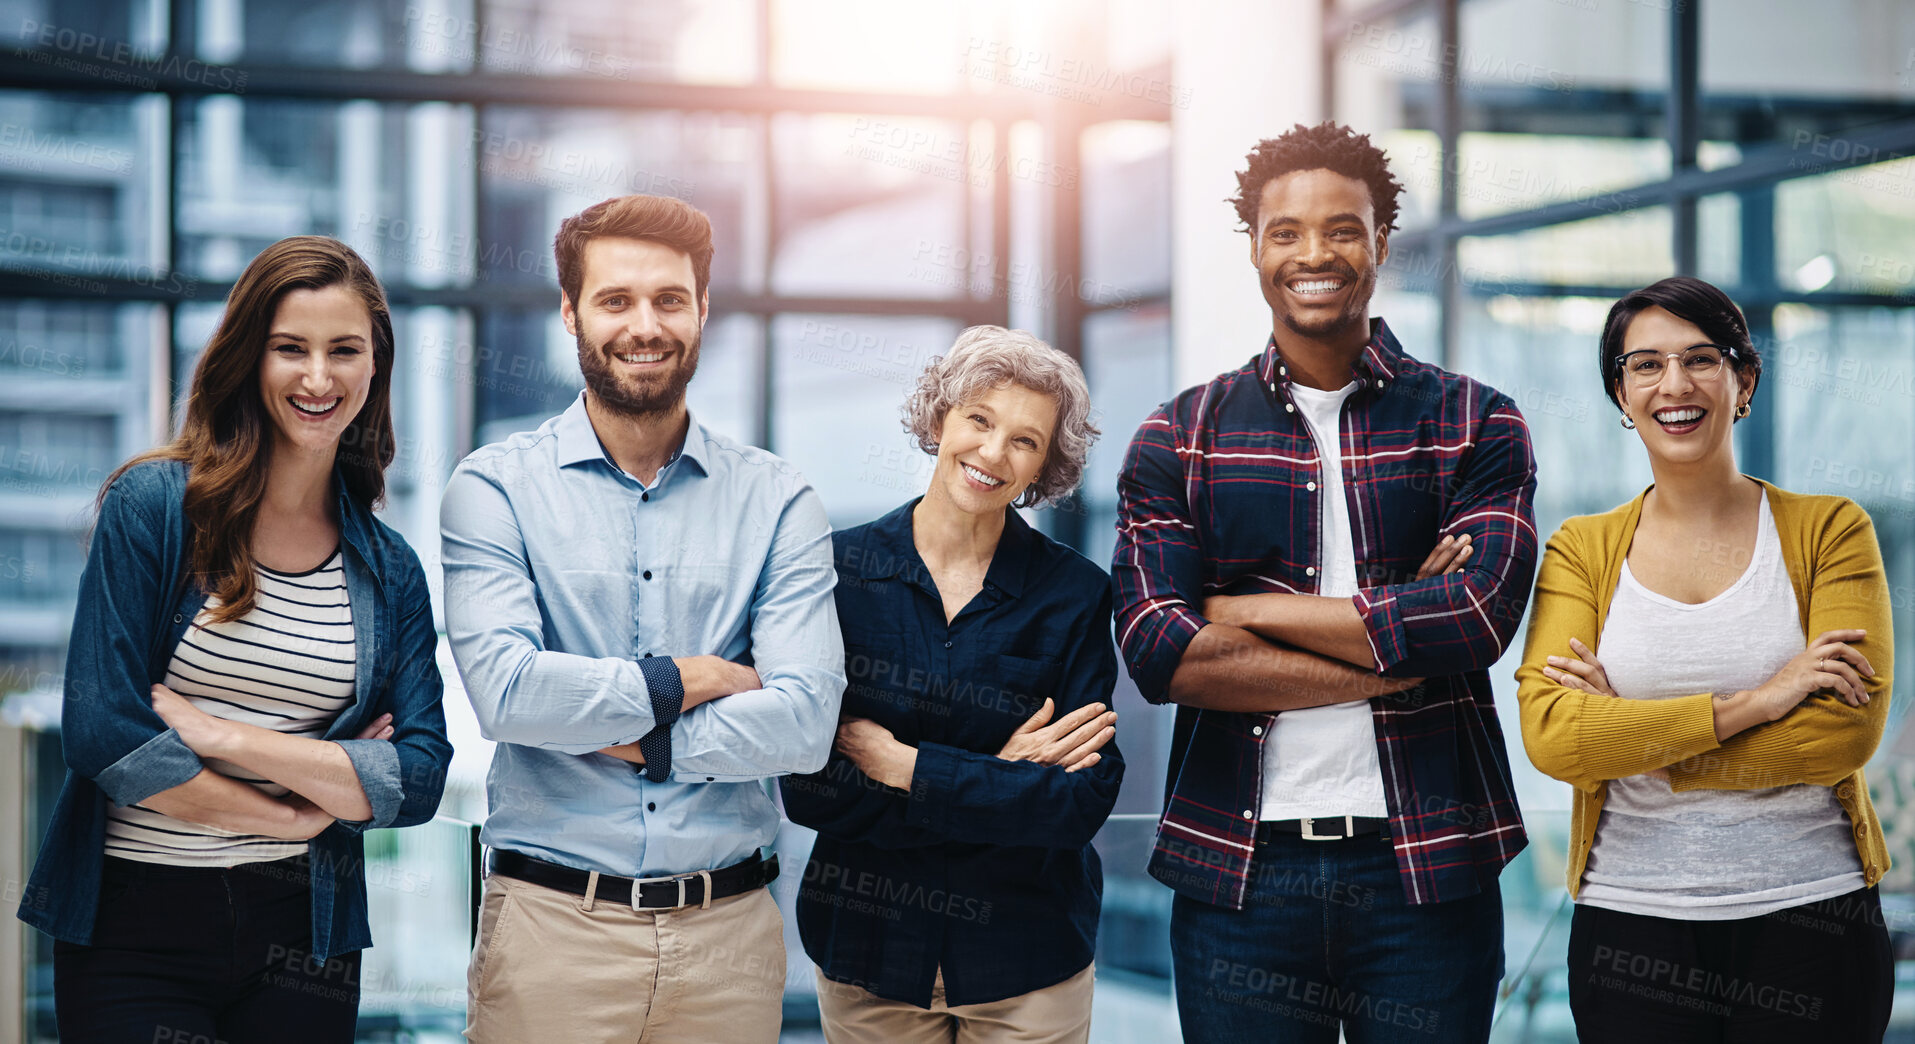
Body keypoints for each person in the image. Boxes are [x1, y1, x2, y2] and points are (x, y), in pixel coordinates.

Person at [1110, 121, 1538, 1042]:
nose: (1314, 254)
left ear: (1382, 240)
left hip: (1426, 872)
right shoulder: (1178, 438)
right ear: (1256, 248)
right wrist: (1405, 644)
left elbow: (1473, 616)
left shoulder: (1475, 422)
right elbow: (1161, 653)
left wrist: (1244, 612)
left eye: (1343, 229)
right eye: (1286, 232)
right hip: (1240, 876)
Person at [21, 236, 453, 1042]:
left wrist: (222, 735)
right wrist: (294, 811)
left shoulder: (391, 569)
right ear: (250, 356)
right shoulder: (153, 506)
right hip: (134, 929)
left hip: (305, 934)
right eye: (291, 348)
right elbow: (105, 734)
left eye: (344, 351)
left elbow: (420, 777)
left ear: (374, 367)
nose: (318, 378)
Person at [442, 193, 846, 1042]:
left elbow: (805, 725)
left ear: (702, 308)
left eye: (668, 299)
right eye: (615, 300)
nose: (644, 325)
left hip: (728, 940)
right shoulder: (494, 488)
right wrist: (688, 681)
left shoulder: (778, 501)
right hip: (552, 934)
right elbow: (509, 697)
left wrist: (627, 731)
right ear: (571, 313)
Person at [1516, 275, 1894, 1041]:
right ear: (1619, 394)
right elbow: (1555, 739)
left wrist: (1638, 744)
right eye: (1644, 365)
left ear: (1742, 379)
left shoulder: (1829, 531)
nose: (1674, 385)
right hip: (1631, 927)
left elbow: (1839, 739)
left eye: (1700, 359)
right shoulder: (1579, 551)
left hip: (1812, 917)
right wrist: (1757, 702)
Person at [782, 326, 1122, 1043]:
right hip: (869, 955)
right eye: (979, 420)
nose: (994, 454)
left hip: (1029, 959)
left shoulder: (1075, 595)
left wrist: (907, 767)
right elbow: (808, 786)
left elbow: (1076, 802)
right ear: (939, 420)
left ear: (1044, 466)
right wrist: (998, 776)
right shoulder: (833, 574)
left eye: (1025, 441)